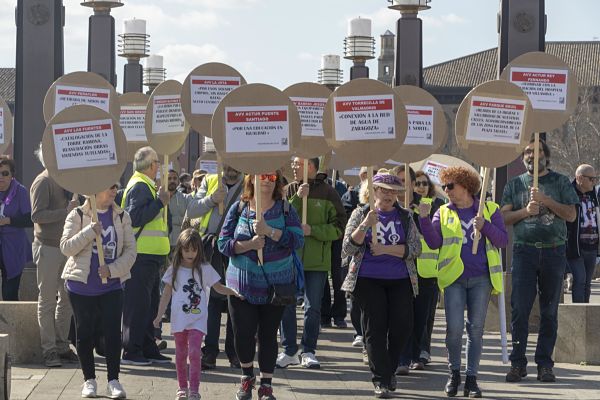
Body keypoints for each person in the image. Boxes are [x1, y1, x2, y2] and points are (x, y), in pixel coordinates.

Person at [418, 166, 508, 397]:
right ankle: (454, 373)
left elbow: (502, 241)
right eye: (444, 186)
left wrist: (485, 226)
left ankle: (471, 378)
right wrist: (425, 219)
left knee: (476, 330)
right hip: (453, 279)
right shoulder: (444, 212)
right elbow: (435, 242)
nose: (446, 190)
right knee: (454, 331)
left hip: (481, 279)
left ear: (466, 186)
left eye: (450, 186)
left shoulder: (489, 209)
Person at [217, 171, 304, 400]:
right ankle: (247, 377)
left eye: (272, 177)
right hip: (241, 287)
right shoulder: (239, 208)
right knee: (242, 335)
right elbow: (222, 243)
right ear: (251, 179)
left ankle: (266, 385)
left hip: (274, 287)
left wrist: (270, 232)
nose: (266, 180)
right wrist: (249, 245)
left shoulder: (285, 209)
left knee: (268, 336)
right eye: (262, 175)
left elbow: (297, 240)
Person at [502, 139, 578, 383]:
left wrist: (546, 201)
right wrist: (525, 211)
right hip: (524, 252)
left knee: (549, 311)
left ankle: (544, 364)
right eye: (527, 152)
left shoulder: (561, 181)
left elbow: (571, 214)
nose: (532, 156)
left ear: (547, 155)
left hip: (554, 252)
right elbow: (503, 218)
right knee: (519, 310)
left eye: (538, 152)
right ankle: (517, 363)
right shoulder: (514, 184)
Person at [341, 173, 420, 398]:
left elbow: (416, 248)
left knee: (402, 326)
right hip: (367, 278)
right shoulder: (361, 213)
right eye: (383, 190)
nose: (388, 195)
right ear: (374, 191)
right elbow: (347, 248)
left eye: (393, 191)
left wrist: (386, 250)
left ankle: (389, 368)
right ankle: (381, 380)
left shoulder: (405, 216)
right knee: (375, 328)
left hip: (400, 279)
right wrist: (366, 225)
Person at [60, 184, 136, 398]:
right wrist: (88, 232)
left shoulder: (122, 216)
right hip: (80, 287)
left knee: (113, 334)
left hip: (111, 286)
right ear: (94, 190)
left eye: (116, 187)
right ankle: (89, 380)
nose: (114, 191)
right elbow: (66, 247)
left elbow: (131, 252)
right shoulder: (77, 214)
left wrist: (111, 270)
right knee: (84, 334)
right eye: (109, 187)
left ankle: (113, 380)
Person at [154, 229, 242, 400]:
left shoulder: (205, 269)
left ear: (199, 251)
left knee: (194, 352)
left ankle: (194, 389)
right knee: (180, 354)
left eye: (194, 250)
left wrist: (234, 292)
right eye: (186, 249)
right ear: (180, 249)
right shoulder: (174, 270)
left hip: (198, 319)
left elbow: (218, 287)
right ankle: (182, 387)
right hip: (179, 319)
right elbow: (165, 294)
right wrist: (159, 316)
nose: (190, 253)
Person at [277, 157, 346, 369]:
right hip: (289, 259)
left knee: (312, 308)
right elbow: (280, 218)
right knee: (286, 305)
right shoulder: (287, 190)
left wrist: (313, 231)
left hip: (317, 261)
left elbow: (339, 228)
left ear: (312, 166)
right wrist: (297, 199)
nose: (294, 167)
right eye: (294, 163)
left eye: (298, 163)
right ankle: (289, 350)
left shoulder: (329, 192)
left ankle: (308, 350)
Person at [184, 164, 244, 369]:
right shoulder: (210, 181)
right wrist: (212, 200)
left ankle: (234, 352)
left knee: (235, 299)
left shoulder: (249, 183)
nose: (230, 168)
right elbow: (191, 209)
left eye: (233, 163)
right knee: (211, 302)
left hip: (238, 249)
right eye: (226, 162)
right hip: (211, 248)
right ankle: (209, 351)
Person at [120, 146, 172, 365]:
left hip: (150, 256)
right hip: (140, 256)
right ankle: (132, 350)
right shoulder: (140, 185)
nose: (159, 167)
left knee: (149, 306)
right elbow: (135, 216)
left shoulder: (145, 184)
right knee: (138, 306)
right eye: (157, 163)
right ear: (151, 165)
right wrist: (160, 202)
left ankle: (148, 347)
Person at [30, 143, 79, 367]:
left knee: (66, 300)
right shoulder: (43, 181)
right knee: (48, 300)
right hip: (48, 248)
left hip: (64, 248)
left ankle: (61, 345)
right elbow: (37, 216)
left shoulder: (65, 179)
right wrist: (65, 212)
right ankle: (49, 350)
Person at [0, 156, 33, 300]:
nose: (1, 177)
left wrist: (8, 221)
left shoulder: (20, 191)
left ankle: (10, 322)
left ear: (12, 174)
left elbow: (29, 219)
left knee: (9, 293)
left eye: (5, 173)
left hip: (13, 247)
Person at [566, 164, 599, 303]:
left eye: (595, 179)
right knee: (579, 280)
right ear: (579, 178)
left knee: (587, 283)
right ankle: (578, 314)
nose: (594, 182)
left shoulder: (594, 195)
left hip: (592, 246)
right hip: (576, 247)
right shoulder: (569, 193)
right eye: (591, 179)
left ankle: (585, 312)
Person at [168, 169, 193, 252]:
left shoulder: (186, 198)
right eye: (169, 178)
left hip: (180, 244)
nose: (172, 181)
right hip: (162, 244)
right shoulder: (157, 198)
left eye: (175, 178)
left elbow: (190, 220)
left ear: (178, 181)